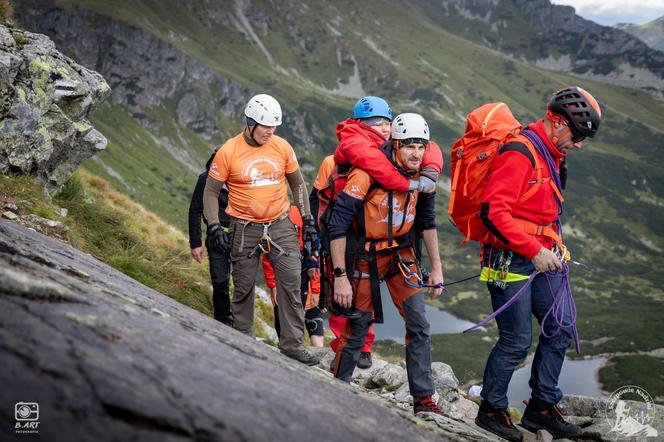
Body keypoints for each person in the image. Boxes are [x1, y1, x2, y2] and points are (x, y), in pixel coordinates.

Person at [474, 87, 602, 441]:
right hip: (511, 259)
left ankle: (541, 408)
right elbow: (493, 212)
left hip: (543, 255)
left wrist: (553, 244)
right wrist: (533, 249)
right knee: (516, 341)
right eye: (576, 136)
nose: (578, 145)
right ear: (557, 122)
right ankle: (491, 409)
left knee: (559, 326)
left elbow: (544, 209)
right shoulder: (520, 152)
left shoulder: (553, 154)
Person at [327, 113, 445, 415]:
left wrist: (436, 269)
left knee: (419, 323)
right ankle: (337, 386)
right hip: (365, 255)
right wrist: (340, 275)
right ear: (395, 145)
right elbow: (337, 224)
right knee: (358, 326)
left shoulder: (423, 181)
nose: (416, 153)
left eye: (421, 146)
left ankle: (424, 399)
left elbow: (427, 223)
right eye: (409, 146)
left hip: (401, 255)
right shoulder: (365, 174)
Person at [203, 93, 319, 366]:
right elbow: (210, 192)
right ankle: (243, 336)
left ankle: (292, 344)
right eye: (265, 126)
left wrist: (308, 219)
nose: (270, 131)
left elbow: (298, 185)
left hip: (281, 225)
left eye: (274, 126)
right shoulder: (229, 151)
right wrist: (214, 226)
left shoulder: (281, 147)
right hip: (243, 227)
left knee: (291, 283)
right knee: (243, 286)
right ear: (250, 122)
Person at [311, 155, 376, 368]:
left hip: (361, 236)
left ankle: (361, 347)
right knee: (339, 293)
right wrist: (315, 236)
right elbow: (317, 197)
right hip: (339, 235)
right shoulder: (331, 162)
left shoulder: (379, 161)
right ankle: (346, 346)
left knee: (362, 292)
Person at [262, 204, 325, 347]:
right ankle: (288, 345)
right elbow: (267, 255)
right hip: (286, 266)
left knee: (298, 310)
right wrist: (272, 285)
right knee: (283, 308)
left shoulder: (301, 220)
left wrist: (316, 291)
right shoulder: (276, 217)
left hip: (300, 269)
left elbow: (314, 258)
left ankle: (292, 345)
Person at [188, 150, 232, 325]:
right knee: (220, 280)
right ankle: (223, 321)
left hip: (242, 235)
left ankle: (242, 323)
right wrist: (196, 243)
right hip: (216, 236)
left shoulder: (242, 180)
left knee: (244, 282)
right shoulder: (205, 179)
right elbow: (195, 210)